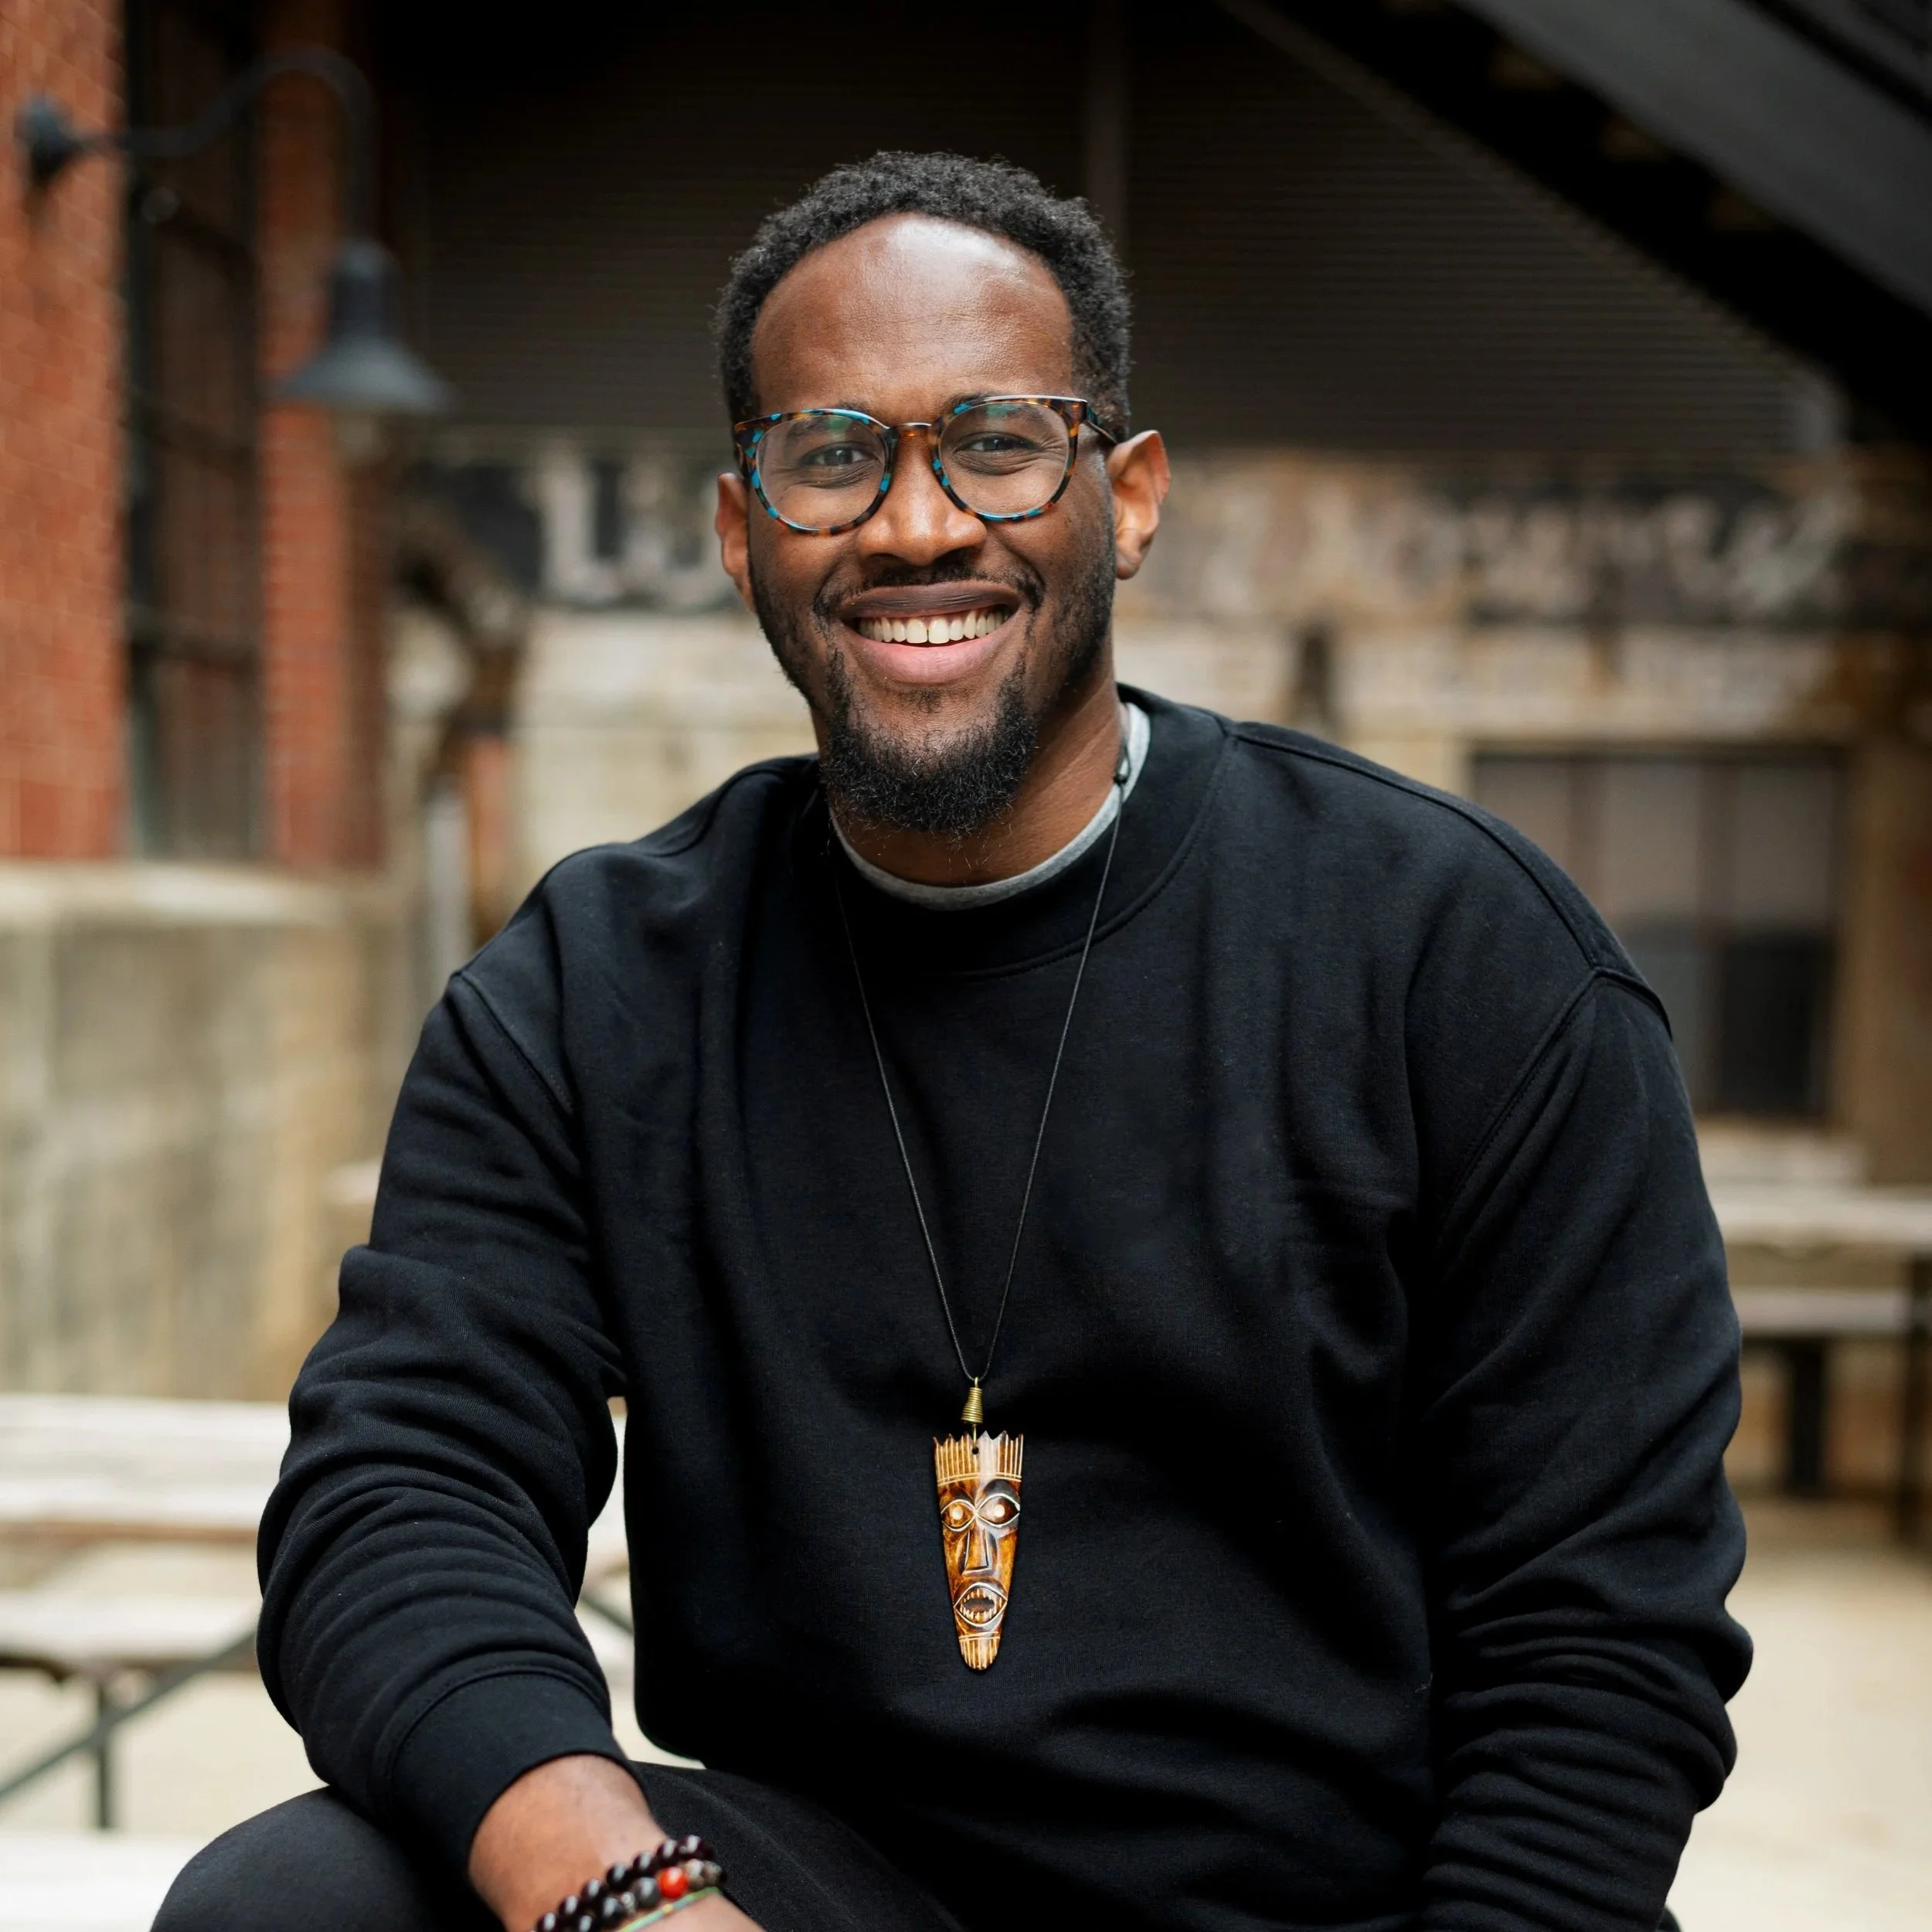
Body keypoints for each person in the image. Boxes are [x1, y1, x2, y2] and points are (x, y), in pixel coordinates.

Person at [158, 151, 1747, 1932]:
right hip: (817, 1885)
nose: (916, 522)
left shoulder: (1453, 952)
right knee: (297, 1900)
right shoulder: (595, 989)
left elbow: (1599, 1637)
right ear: (741, 529)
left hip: (1326, 1905)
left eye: (996, 441)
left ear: (1125, 497)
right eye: (831, 452)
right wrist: (626, 1893)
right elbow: (400, 1496)